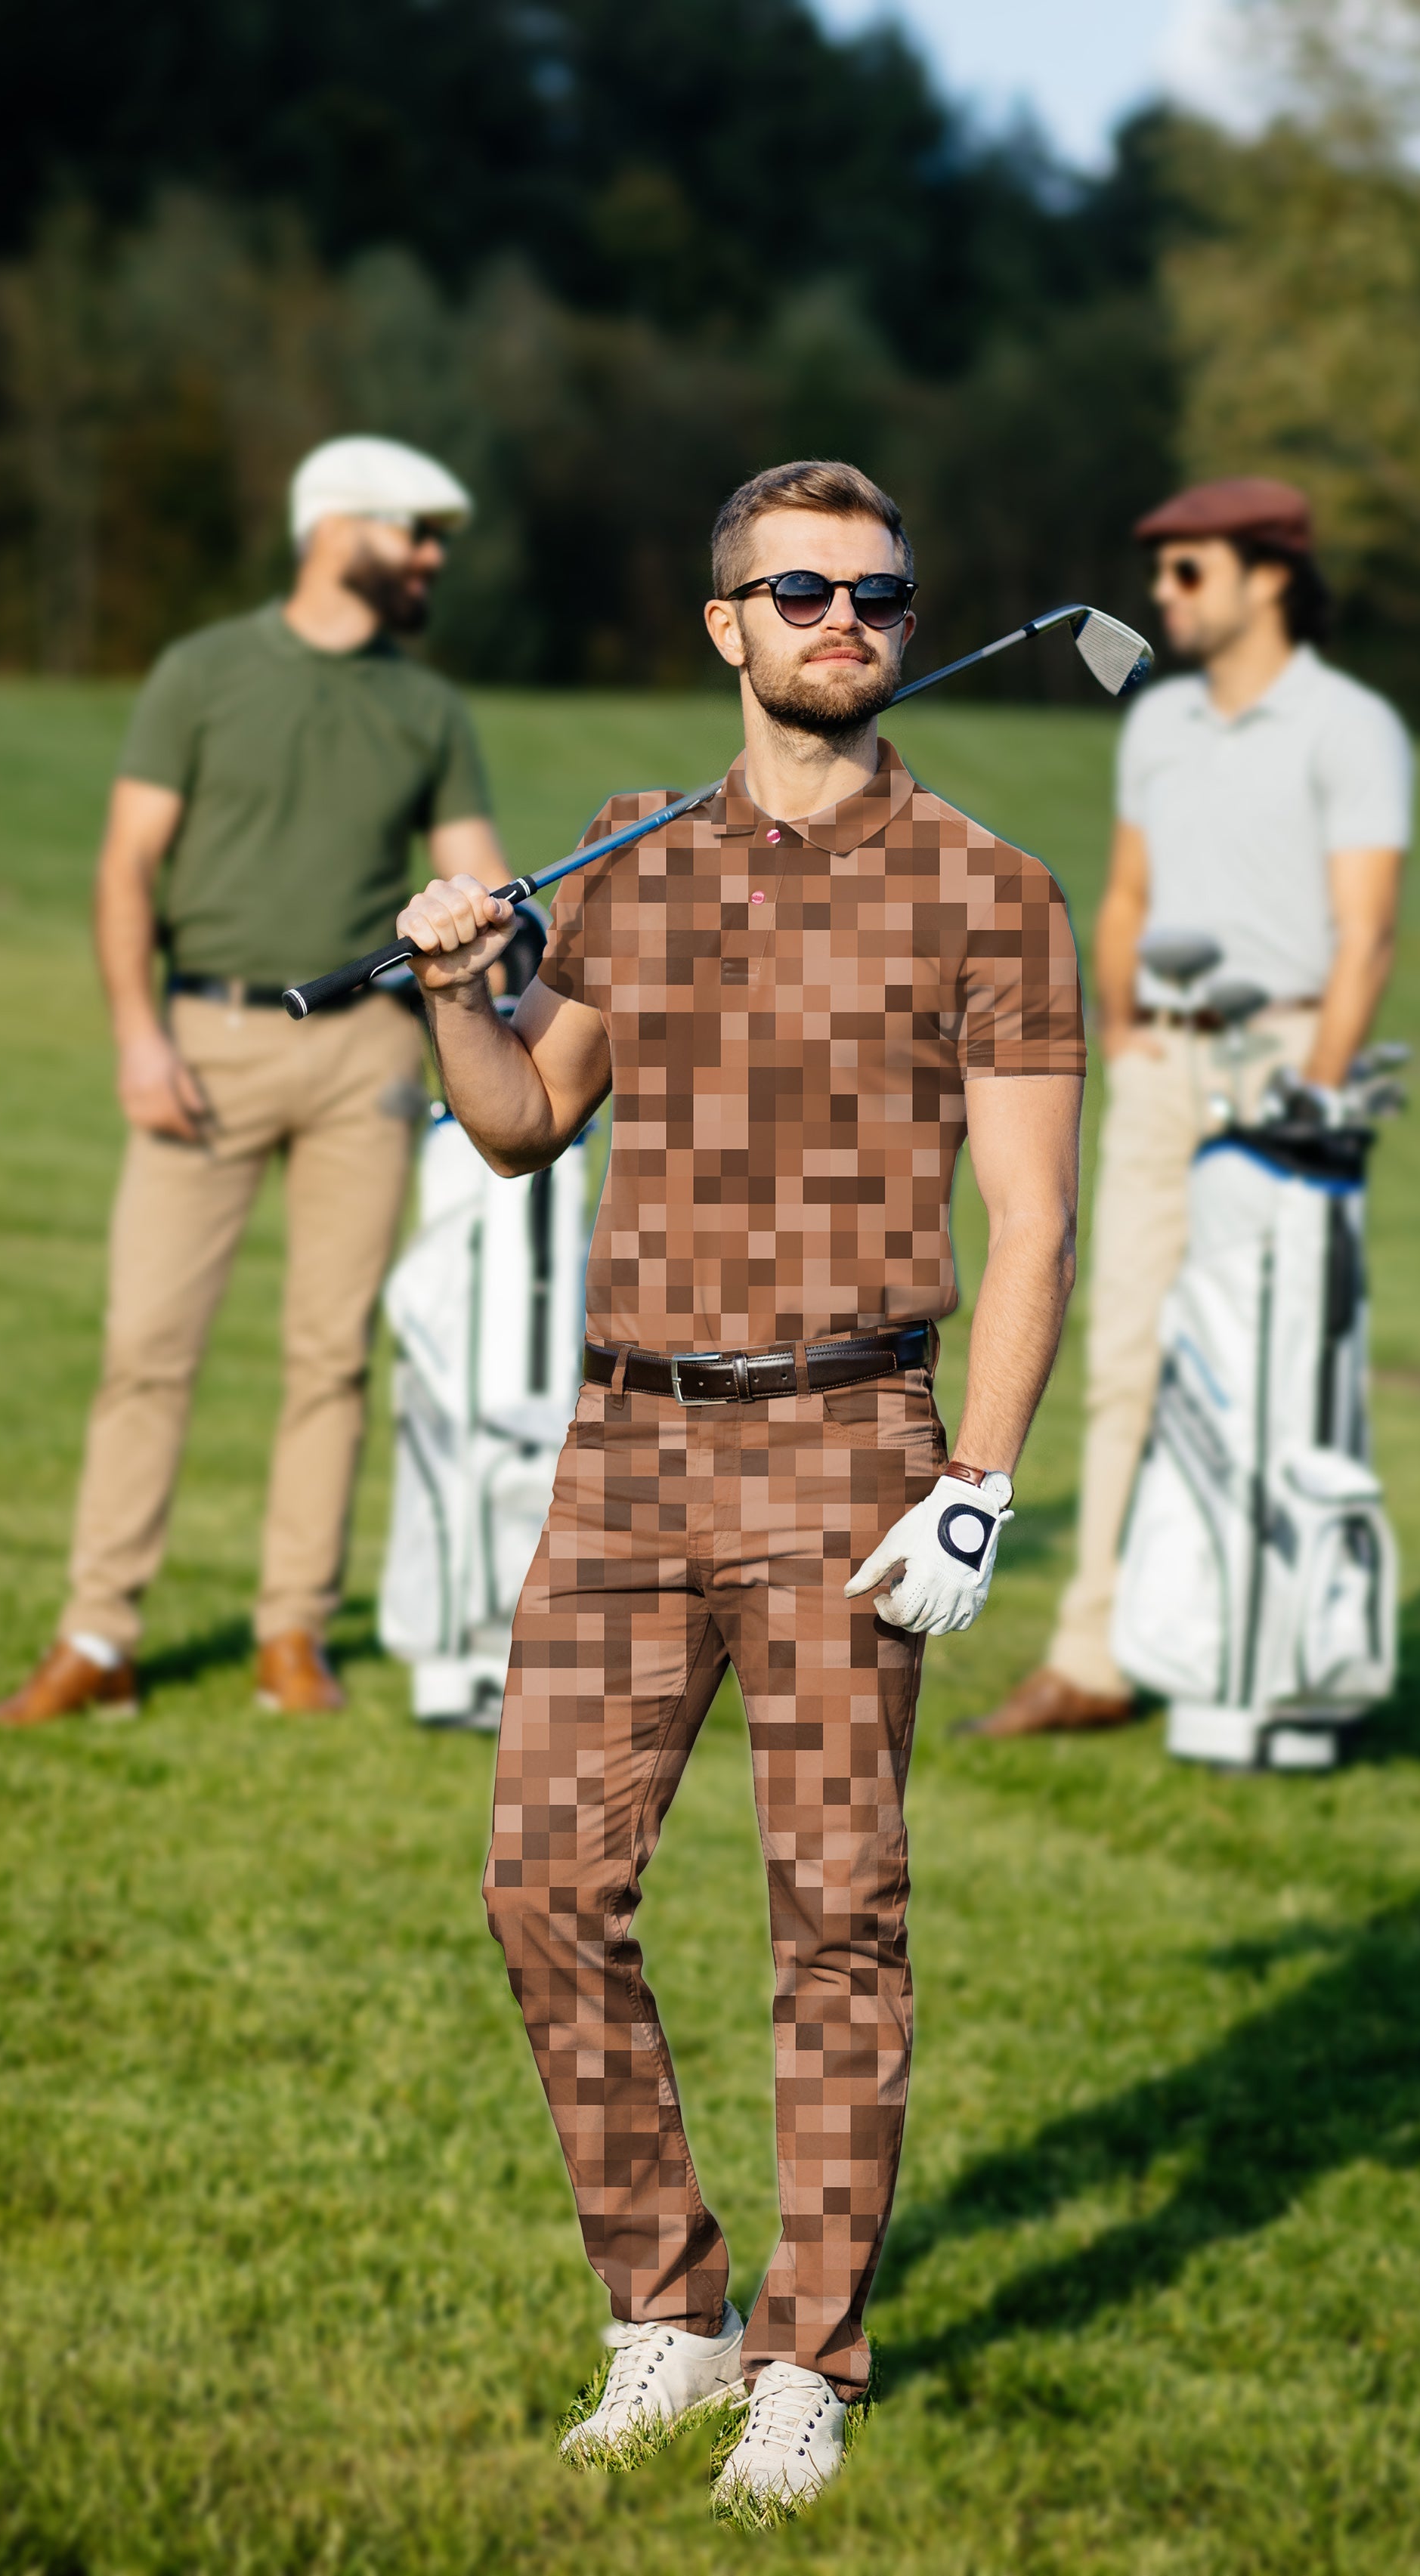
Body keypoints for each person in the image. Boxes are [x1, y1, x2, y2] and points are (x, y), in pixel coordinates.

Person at [394, 459, 1084, 2519]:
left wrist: (979, 1479)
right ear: (728, 628)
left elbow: (1036, 1220)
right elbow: (520, 1122)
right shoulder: (632, 861)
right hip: (626, 1448)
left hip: (849, 1450)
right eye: (799, 591)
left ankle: (807, 2357)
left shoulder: (989, 890)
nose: (843, 619)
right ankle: (667, 2308)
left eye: (877, 592)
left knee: (835, 1914)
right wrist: (453, 988)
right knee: (542, 1882)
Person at [0, 435, 507, 1726]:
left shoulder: (429, 709)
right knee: (146, 1346)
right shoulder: (201, 673)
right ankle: (98, 1636)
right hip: (203, 1040)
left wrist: (509, 938)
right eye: (414, 532)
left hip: (368, 1056)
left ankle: (292, 1636)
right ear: (335, 529)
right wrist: (137, 1036)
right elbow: (127, 866)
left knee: (331, 1355)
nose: (432, 558)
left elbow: (484, 877)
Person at [967, 475, 1412, 1739]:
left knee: (1272, 1368)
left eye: (1189, 570)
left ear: (1270, 577)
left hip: (1286, 1065)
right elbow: (1126, 896)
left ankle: (1268, 1647)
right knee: (1124, 1359)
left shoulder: (1352, 727)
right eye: (1159, 570)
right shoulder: (1158, 723)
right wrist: (1125, 1030)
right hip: (1163, 1067)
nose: (1162, 593)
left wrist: (1315, 1093)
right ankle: (1096, 1655)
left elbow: (1367, 934)